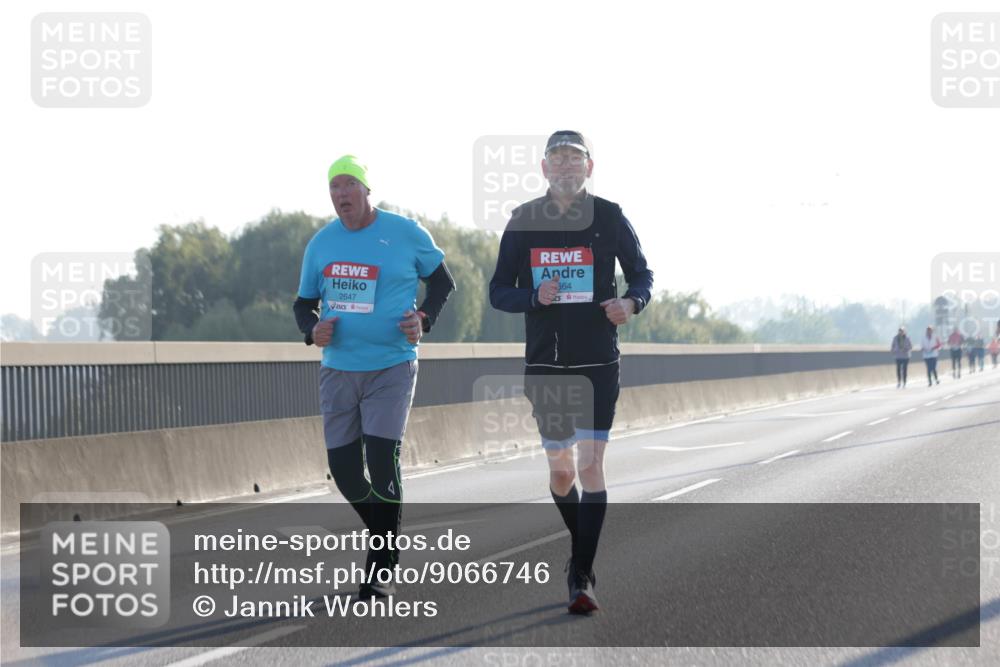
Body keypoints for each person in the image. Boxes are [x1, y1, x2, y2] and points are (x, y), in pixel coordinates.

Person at [489, 131, 653, 614]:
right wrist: (530, 298)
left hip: (598, 361)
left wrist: (631, 301)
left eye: (574, 159)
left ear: (589, 166)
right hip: (546, 364)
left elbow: (643, 274)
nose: (565, 167)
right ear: (544, 169)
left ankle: (581, 575)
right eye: (557, 159)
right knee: (562, 473)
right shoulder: (523, 220)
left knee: (590, 466)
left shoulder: (610, 216)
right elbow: (499, 289)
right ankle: (582, 555)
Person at [293, 155, 455, 598]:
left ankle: (381, 565)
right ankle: (387, 534)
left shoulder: (406, 233)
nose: (341, 195)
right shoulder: (321, 245)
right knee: (344, 472)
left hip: (392, 365)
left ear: (366, 189)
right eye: (334, 188)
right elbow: (303, 304)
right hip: (339, 370)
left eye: (349, 185)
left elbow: (443, 284)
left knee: (383, 459)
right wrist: (312, 329)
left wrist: (424, 317)